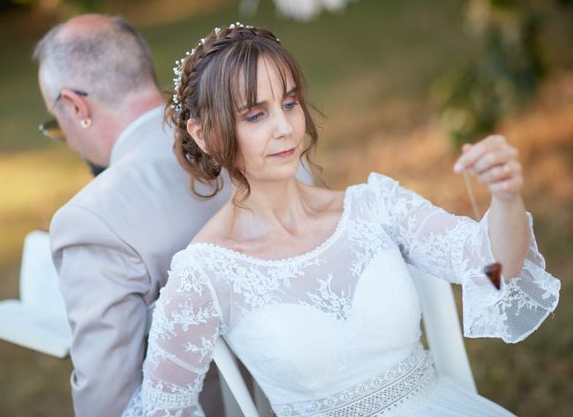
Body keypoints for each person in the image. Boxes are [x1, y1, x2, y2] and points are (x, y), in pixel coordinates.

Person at [123, 23, 561, 416]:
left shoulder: (375, 206)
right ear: (203, 133)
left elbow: (497, 270)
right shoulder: (203, 273)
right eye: (255, 114)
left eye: (290, 103)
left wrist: (505, 197)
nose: (285, 128)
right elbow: (165, 408)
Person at [33, 15, 316, 417]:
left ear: (76, 106)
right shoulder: (273, 138)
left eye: (56, 123)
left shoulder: (90, 219)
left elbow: (108, 404)